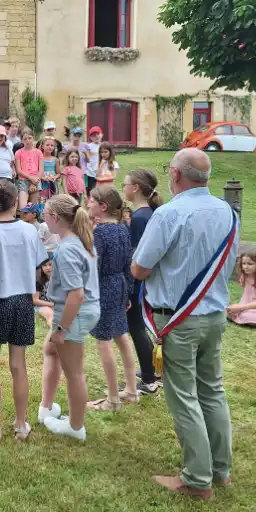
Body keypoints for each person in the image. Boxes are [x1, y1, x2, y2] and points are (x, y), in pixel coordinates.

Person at [131, 148, 239, 499]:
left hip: (179, 317)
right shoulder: (228, 211)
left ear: (176, 174)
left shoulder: (169, 213)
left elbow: (140, 268)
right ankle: (220, 470)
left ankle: (197, 479)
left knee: (184, 398)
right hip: (214, 314)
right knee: (212, 390)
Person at [0, 180, 48, 442]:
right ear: (15, 202)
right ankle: (20, 424)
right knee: (19, 365)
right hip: (23, 301)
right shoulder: (29, 231)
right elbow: (38, 269)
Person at [38, 194, 99, 441]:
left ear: (55, 218)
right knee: (51, 350)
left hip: (75, 314)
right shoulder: (78, 242)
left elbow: (76, 295)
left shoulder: (67, 249)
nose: (43, 219)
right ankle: (48, 406)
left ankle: (75, 426)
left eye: (45, 214)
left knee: (74, 372)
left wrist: (62, 328)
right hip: (77, 312)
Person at [86, 186, 138, 412]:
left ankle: (114, 398)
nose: (87, 203)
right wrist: (128, 291)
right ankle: (132, 390)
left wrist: (88, 294)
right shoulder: (122, 228)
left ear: (103, 206)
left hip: (104, 287)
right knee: (121, 335)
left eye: (91, 200)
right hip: (119, 285)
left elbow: (94, 267)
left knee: (104, 339)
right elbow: (128, 263)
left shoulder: (100, 233)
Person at [122, 169, 162, 394]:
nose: (124, 187)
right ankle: (150, 369)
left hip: (138, 284)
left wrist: (128, 289)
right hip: (146, 282)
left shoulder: (139, 218)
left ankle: (148, 379)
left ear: (135, 188)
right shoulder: (149, 214)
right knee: (139, 327)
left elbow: (135, 256)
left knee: (136, 327)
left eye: (125, 183)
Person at [14, 130, 44, 209]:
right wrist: (31, 178)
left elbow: (41, 170)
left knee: (32, 209)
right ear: (21, 141)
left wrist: (34, 183)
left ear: (33, 138)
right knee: (23, 208)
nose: (28, 141)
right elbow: (19, 170)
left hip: (36, 181)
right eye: (25, 139)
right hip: (23, 181)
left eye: (30, 138)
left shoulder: (39, 152)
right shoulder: (18, 153)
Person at [34, 257, 54, 326]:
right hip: (40, 306)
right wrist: (52, 304)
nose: (47, 267)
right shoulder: (39, 280)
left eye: (50, 265)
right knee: (51, 314)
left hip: (54, 304)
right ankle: (55, 333)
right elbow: (35, 300)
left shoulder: (59, 279)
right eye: (44, 265)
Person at [82, 126, 102, 193]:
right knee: (89, 191)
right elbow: (86, 160)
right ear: (90, 137)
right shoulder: (88, 146)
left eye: (98, 134)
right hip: (89, 173)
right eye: (93, 135)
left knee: (100, 192)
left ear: (101, 134)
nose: (96, 136)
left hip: (101, 173)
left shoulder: (103, 146)